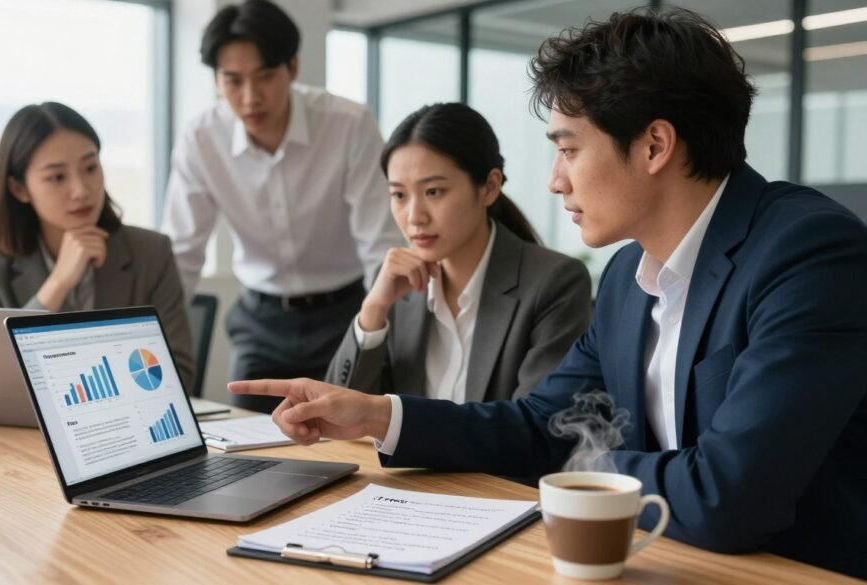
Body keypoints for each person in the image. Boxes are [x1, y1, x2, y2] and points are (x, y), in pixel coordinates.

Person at [229, 8, 867, 578]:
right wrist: (378, 415)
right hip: (664, 559)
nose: (556, 181)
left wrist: (579, 469)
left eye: (568, 150)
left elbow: (729, 496)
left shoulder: (809, 254)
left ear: (654, 144)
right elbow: (543, 425)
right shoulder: (626, 277)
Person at [160, 0, 403, 413]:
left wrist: (382, 328)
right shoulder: (201, 139)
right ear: (217, 80)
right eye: (232, 80)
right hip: (261, 319)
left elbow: (379, 244)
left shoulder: (347, 124)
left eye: (265, 76)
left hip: (345, 310)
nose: (250, 97)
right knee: (246, 439)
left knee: (350, 438)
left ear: (292, 66)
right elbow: (181, 256)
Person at [324, 103, 591, 402]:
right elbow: (340, 412)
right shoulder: (395, 287)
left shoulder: (553, 283)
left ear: (489, 187)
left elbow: (534, 428)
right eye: (399, 195)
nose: (414, 217)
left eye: (433, 192)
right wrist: (373, 310)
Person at [0, 102, 196, 389]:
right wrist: (58, 284)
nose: (81, 190)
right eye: (57, 177)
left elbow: (179, 373)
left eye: (90, 167)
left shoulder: (151, 252)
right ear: (19, 189)